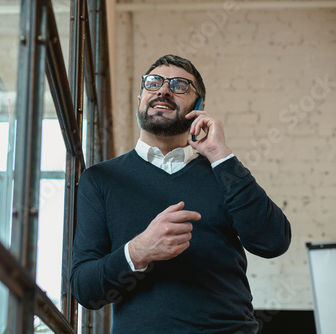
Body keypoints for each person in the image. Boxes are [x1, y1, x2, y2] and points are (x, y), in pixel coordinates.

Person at [70, 54, 291, 333]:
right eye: (153, 83)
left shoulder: (224, 172)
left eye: (179, 85)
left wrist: (220, 155)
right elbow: (85, 290)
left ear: (199, 107)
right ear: (140, 98)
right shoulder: (101, 179)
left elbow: (274, 242)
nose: (163, 90)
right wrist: (139, 250)